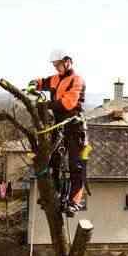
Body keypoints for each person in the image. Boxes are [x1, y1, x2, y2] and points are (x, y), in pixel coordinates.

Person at [28, 49, 87, 215]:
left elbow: (68, 103)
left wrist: (45, 105)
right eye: (54, 65)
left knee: (75, 164)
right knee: (53, 160)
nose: (56, 68)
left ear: (67, 62)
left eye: (58, 65)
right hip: (59, 125)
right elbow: (41, 82)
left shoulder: (77, 80)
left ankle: (74, 201)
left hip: (74, 125)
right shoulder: (54, 79)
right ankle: (55, 194)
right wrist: (33, 85)